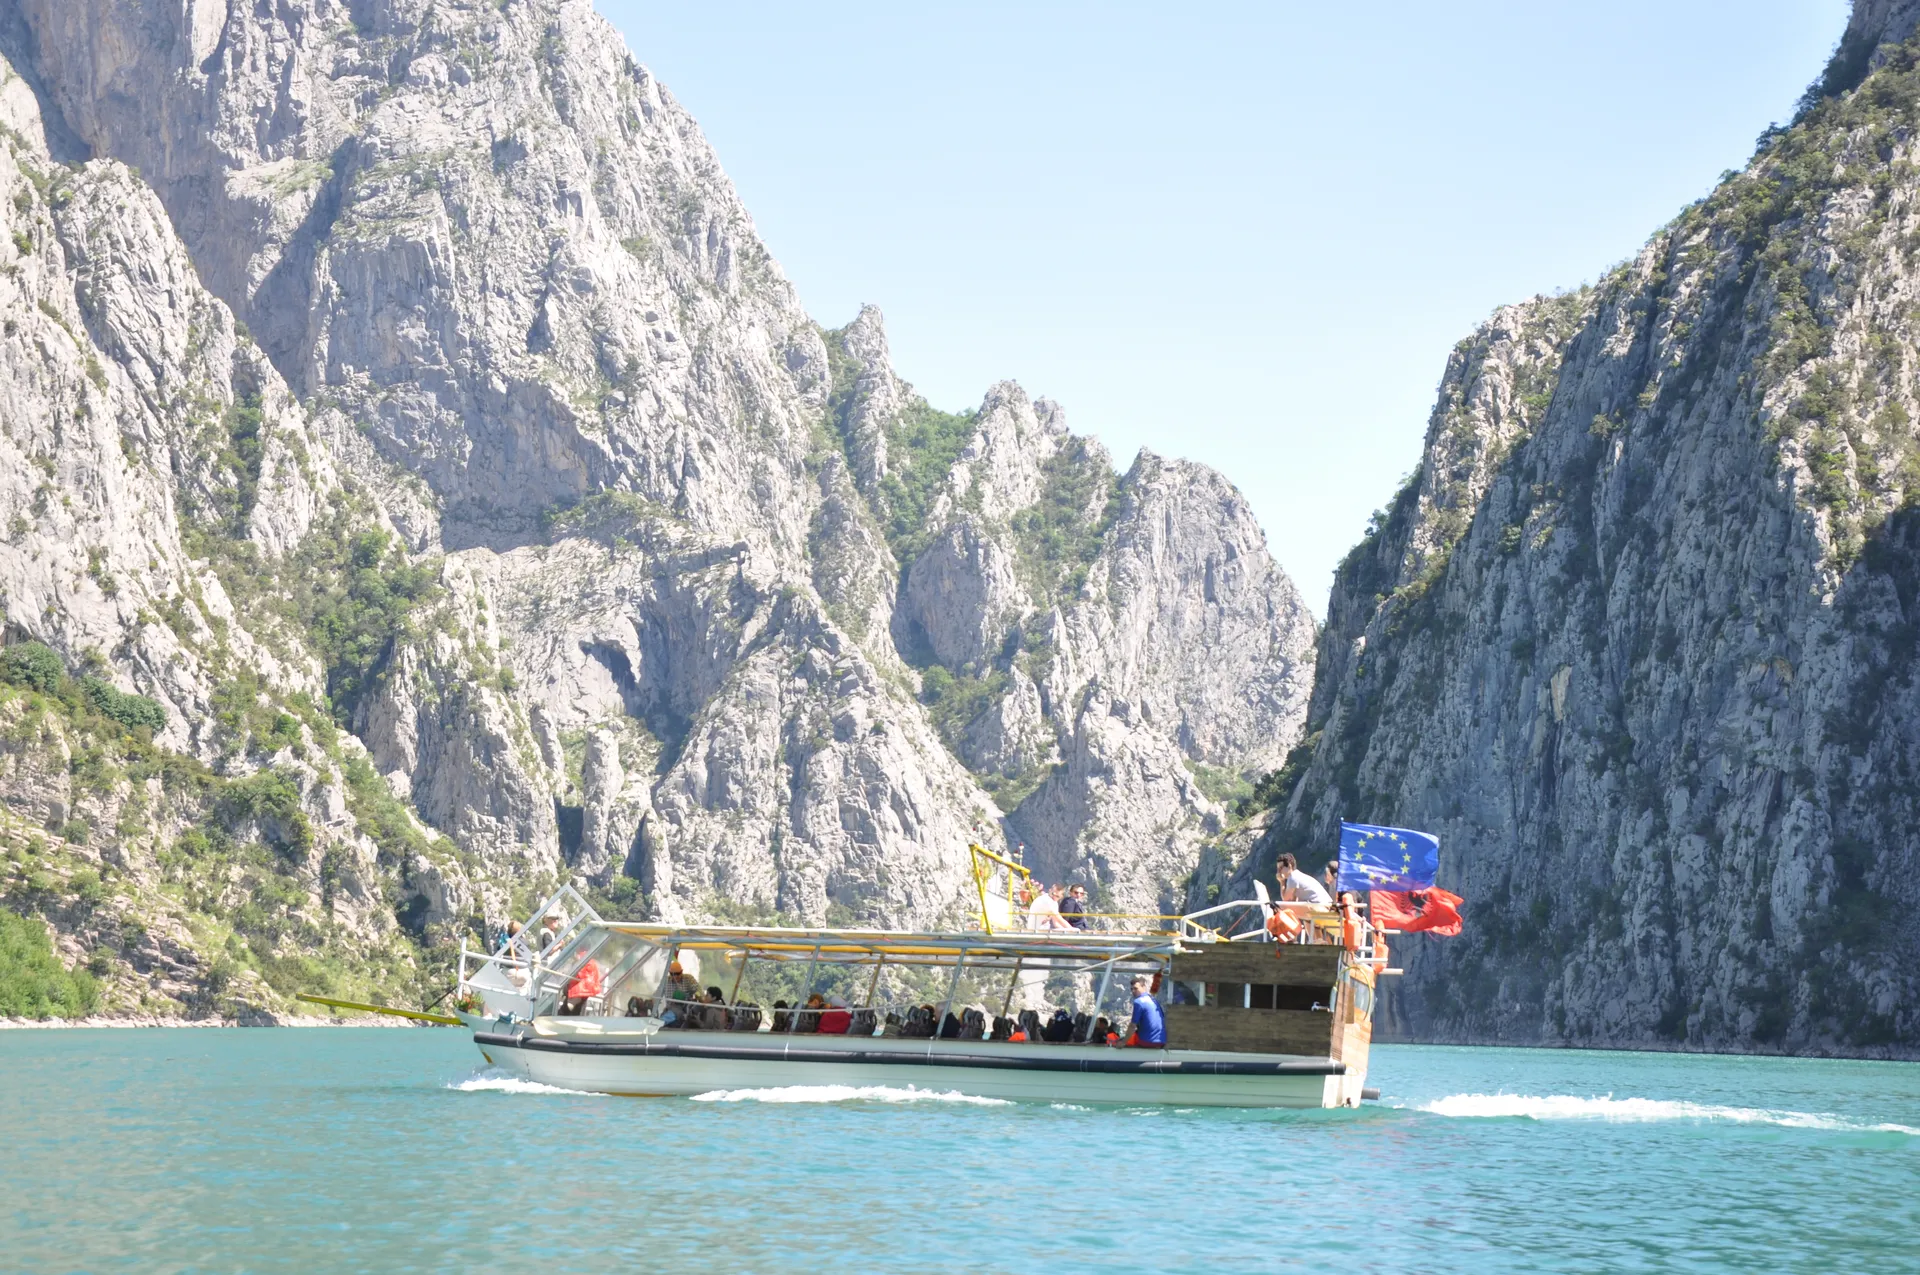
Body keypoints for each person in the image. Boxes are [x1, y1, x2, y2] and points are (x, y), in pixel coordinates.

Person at [559, 949, 603, 1016]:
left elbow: (579, 975)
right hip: (586, 990)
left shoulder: (582, 958)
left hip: (579, 990)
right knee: (575, 1010)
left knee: (565, 1011)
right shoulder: (591, 960)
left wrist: (568, 984)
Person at [1125, 976, 1165, 1047]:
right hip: (1162, 1041)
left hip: (1147, 1042)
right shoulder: (1153, 1000)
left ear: (1143, 987)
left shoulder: (1138, 1002)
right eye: (1132, 989)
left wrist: (1123, 1042)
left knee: (1127, 1045)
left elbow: (1132, 1025)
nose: (1133, 991)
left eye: (1136, 988)